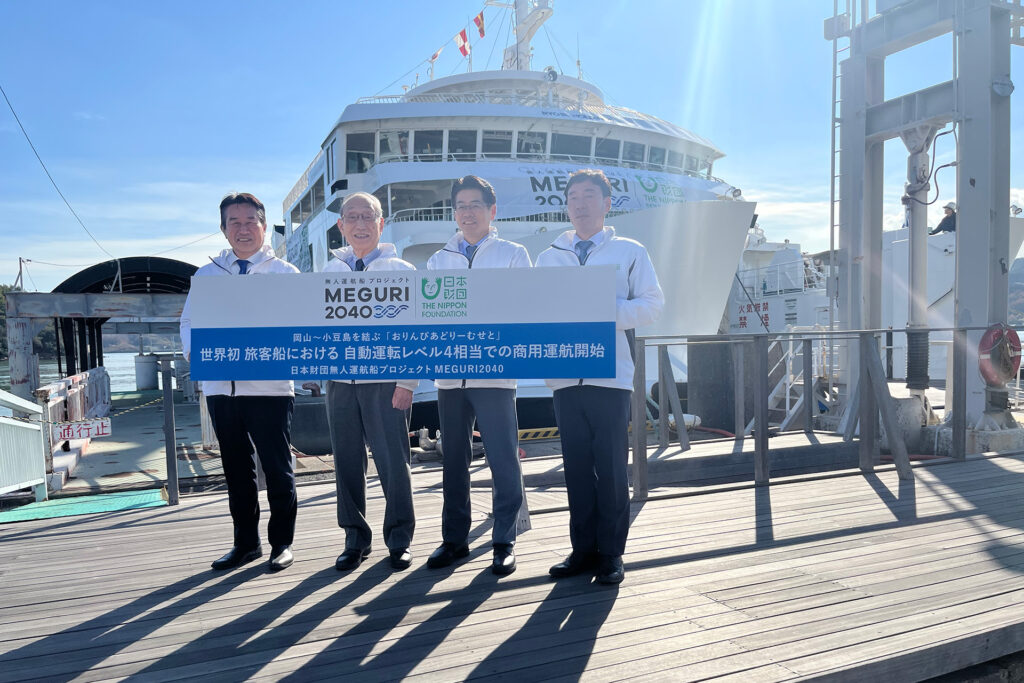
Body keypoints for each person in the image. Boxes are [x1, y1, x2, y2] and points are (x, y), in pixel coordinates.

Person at [535, 169, 664, 585]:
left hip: (610, 375)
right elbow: (536, 310)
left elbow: (652, 305)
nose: (580, 204)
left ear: (607, 204)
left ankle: (611, 552)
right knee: (575, 467)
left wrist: (602, 310)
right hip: (564, 374)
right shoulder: (549, 255)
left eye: (589, 195)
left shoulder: (629, 251)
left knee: (610, 466)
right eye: (573, 197)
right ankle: (582, 549)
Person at [179, 192, 301, 572]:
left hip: (270, 389)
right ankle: (246, 544)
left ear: (263, 226)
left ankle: (282, 543)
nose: (243, 229)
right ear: (223, 228)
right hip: (221, 389)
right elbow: (189, 323)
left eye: (251, 221)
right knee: (236, 470)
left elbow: (299, 325)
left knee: (278, 468)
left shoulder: (285, 274)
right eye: (235, 222)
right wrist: (197, 354)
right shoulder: (207, 275)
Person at [425, 175, 532, 576]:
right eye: (461, 206)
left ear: (492, 210)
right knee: (453, 459)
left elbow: (523, 308)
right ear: (454, 212)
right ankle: (454, 539)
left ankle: (504, 539)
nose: (467, 212)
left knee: (503, 458)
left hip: (495, 372)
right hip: (450, 376)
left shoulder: (513, 254)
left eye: (475, 205)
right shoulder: (438, 260)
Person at [323, 192, 418, 572]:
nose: (360, 224)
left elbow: (415, 331)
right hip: (339, 381)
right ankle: (354, 538)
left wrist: (407, 383)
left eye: (368, 217)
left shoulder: (402, 270)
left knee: (394, 462)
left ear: (381, 224)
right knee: (346, 462)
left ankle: (399, 538)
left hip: (386, 380)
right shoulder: (329, 272)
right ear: (341, 225)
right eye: (352, 217)